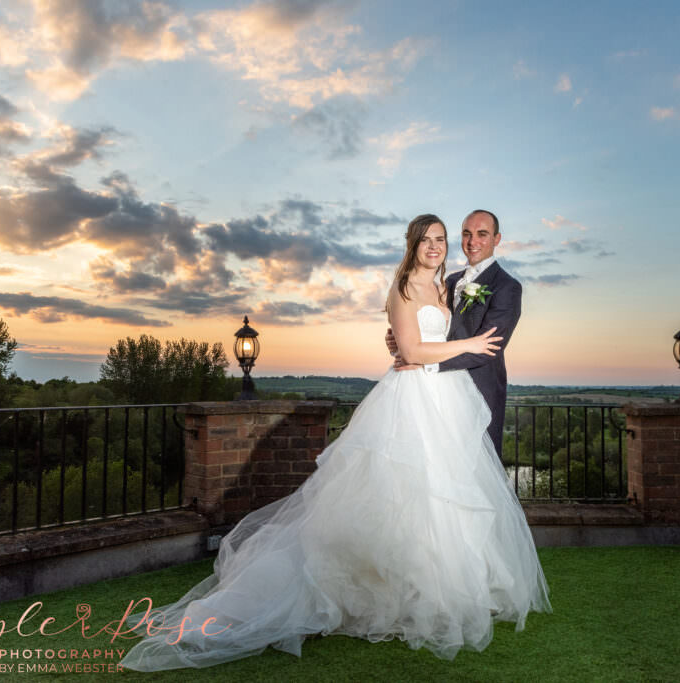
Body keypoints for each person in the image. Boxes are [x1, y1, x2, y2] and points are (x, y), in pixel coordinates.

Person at [120, 214, 550, 672]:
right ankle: (390, 589)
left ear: (495, 239)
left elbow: (479, 344)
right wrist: (408, 351)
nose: (448, 245)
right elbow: (420, 343)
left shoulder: (469, 286)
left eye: (451, 238)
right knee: (402, 490)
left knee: (449, 493)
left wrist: (414, 352)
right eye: (440, 238)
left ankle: (449, 585)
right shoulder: (420, 285)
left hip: (456, 401)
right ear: (415, 244)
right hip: (414, 398)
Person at [387, 209, 521, 459]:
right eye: (467, 234)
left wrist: (425, 364)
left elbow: (486, 349)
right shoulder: (450, 281)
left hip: (478, 389)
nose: (473, 242)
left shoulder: (507, 287)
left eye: (482, 234)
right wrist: (398, 339)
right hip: (436, 392)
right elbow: (432, 328)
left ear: (497, 239)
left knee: (475, 468)